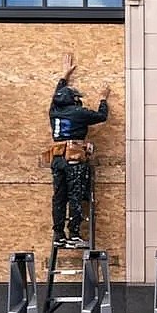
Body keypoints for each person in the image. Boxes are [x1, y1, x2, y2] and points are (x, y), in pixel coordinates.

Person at [49, 54, 109, 248]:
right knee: (75, 194)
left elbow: (57, 93)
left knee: (59, 196)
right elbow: (101, 116)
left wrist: (64, 75)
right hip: (73, 158)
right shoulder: (78, 113)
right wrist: (103, 98)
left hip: (57, 158)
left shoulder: (54, 110)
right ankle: (74, 234)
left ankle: (59, 235)